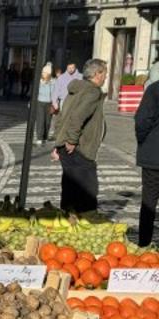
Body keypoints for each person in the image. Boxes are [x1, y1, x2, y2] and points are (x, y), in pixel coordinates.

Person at [52, 58, 108, 213]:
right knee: (87, 192)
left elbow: (62, 117)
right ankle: (85, 224)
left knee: (70, 188)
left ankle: (68, 221)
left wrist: (58, 143)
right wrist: (71, 140)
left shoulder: (77, 89)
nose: (105, 78)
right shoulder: (92, 91)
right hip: (80, 148)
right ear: (98, 74)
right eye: (105, 74)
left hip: (67, 146)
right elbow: (77, 117)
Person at [135, 77, 159, 246]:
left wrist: (144, 141)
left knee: (149, 201)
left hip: (154, 155)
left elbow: (142, 120)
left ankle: (144, 243)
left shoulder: (154, 90)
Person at [34, 64, 55, 145]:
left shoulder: (53, 81)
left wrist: (54, 103)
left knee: (47, 122)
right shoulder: (38, 81)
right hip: (40, 102)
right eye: (43, 72)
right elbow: (34, 93)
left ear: (49, 73)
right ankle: (39, 138)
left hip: (49, 103)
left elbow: (55, 93)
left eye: (45, 72)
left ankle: (45, 137)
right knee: (40, 120)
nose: (43, 74)